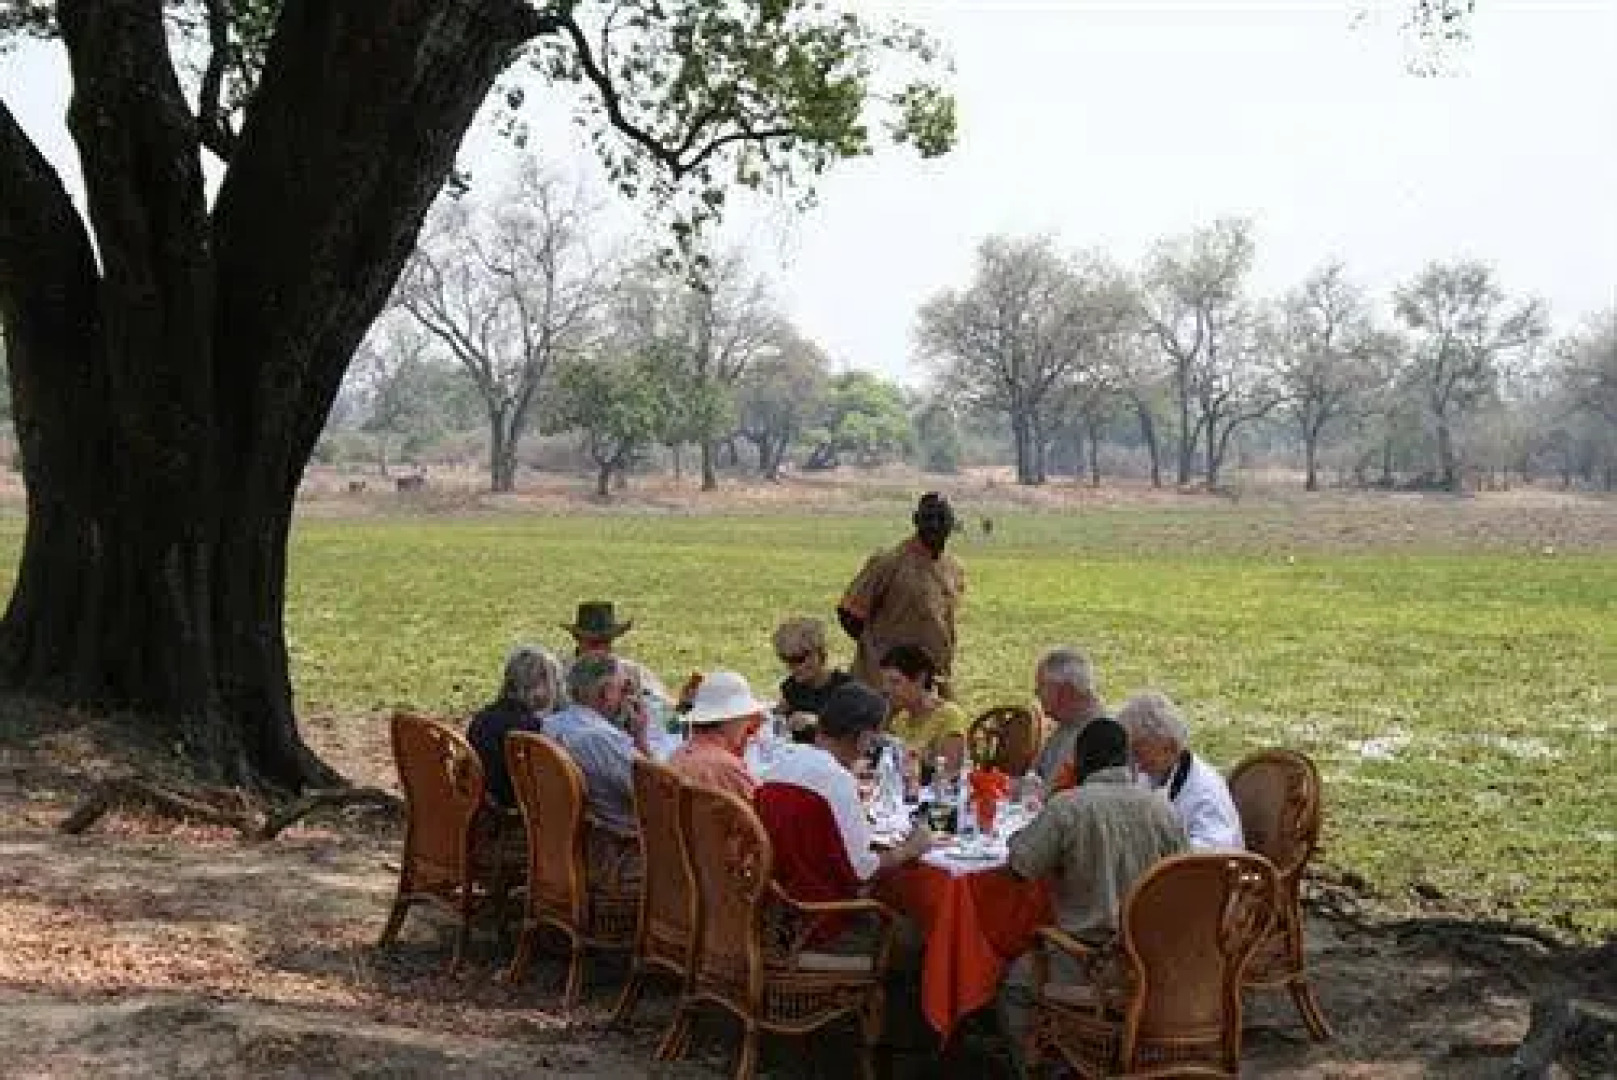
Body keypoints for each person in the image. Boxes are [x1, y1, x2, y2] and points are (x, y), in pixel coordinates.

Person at [996, 719, 1189, 1070]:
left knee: (1014, 986)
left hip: (1086, 961)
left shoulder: (1069, 807)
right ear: (1126, 760)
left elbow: (1020, 866)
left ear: (1080, 761)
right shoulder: (1163, 810)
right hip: (1152, 962)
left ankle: (1042, 1066)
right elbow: (1184, 879)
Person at [756, 682, 934, 907]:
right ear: (863, 739)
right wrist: (909, 849)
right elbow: (861, 869)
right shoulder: (837, 781)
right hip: (827, 911)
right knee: (915, 917)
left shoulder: (779, 766)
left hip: (781, 903)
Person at [837, 492, 966, 696]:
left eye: (941, 518)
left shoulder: (953, 567)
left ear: (952, 522)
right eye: (927, 518)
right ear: (915, 520)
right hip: (883, 683)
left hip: (931, 679)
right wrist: (879, 652)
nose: (934, 525)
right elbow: (849, 613)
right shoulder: (889, 562)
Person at [1117, 690, 1245, 851]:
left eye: (1138, 752)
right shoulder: (1154, 772)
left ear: (1170, 747)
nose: (1135, 763)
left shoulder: (1205, 794)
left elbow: (1212, 857)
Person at [544, 654, 648, 845]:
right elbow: (651, 789)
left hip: (575, 830)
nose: (628, 696)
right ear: (607, 692)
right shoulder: (603, 740)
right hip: (623, 837)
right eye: (624, 688)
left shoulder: (550, 725)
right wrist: (640, 737)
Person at [465, 643, 566, 808]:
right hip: (520, 806)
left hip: (484, 800)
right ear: (538, 686)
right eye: (553, 683)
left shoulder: (483, 717)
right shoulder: (533, 729)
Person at [562, 599, 671, 728]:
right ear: (578, 640)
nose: (601, 649)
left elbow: (665, 710)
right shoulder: (560, 673)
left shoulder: (632, 671)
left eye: (606, 642)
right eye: (594, 643)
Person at [667, 671, 767, 801]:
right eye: (746, 716)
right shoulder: (726, 767)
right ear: (731, 718)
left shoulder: (680, 753)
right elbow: (764, 810)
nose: (749, 723)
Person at [879, 643, 968, 780]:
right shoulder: (900, 719)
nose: (886, 689)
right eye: (885, 682)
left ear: (920, 679)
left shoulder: (949, 716)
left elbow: (951, 773)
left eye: (895, 682)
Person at [1028, 646, 1109, 789]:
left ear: (1066, 691)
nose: (1037, 694)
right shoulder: (1066, 724)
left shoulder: (1099, 736)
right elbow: (1035, 777)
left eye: (1041, 687)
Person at [773, 616, 853, 721]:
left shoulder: (846, 688)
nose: (792, 666)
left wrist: (817, 721)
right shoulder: (791, 687)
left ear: (820, 655)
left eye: (799, 658)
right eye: (785, 659)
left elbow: (857, 728)